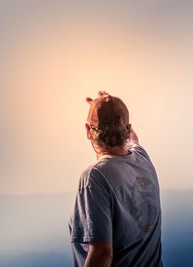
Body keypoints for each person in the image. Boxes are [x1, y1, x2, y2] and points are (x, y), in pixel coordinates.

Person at [68, 91, 163, 267]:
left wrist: (100, 109)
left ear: (88, 130)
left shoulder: (95, 177)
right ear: (127, 128)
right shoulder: (142, 158)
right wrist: (111, 107)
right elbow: (133, 138)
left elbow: (102, 253)